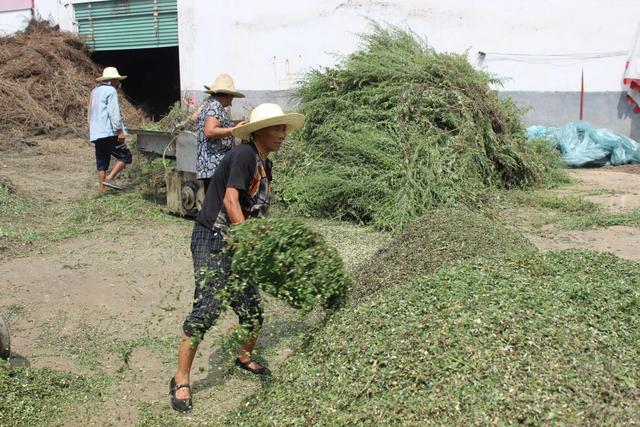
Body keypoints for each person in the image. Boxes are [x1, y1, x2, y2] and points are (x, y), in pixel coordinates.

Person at [169, 103, 304, 413]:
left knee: (252, 309)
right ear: (258, 132)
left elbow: (252, 209)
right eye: (276, 128)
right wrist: (251, 245)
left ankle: (244, 357)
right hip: (213, 237)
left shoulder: (264, 163)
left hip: (238, 241)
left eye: (284, 128)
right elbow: (231, 202)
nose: (282, 134)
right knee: (207, 309)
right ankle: (180, 379)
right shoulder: (244, 155)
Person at [196, 73, 247, 194]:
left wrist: (233, 125)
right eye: (231, 97)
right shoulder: (215, 105)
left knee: (215, 204)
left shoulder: (211, 104)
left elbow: (217, 124)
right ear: (226, 95)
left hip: (214, 166)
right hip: (213, 165)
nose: (232, 100)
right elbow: (210, 131)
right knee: (215, 204)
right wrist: (233, 130)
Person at [88, 66, 132, 191]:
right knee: (126, 156)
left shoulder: (94, 91)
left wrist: (92, 129)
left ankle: (102, 191)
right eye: (117, 80)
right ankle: (111, 178)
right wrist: (120, 131)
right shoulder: (110, 91)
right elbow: (114, 112)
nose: (118, 83)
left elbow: (89, 112)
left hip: (96, 133)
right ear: (112, 80)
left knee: (102, 164)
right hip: (108, 132)